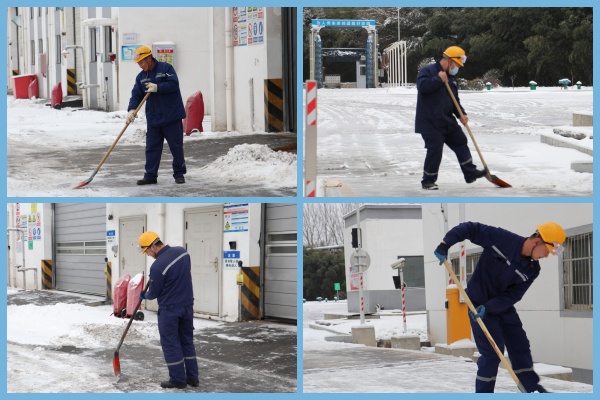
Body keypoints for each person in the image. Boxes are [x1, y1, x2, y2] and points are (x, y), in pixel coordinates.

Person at [433, 221, 566, 393]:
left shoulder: (533, 269)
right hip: (478, 304)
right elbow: (470, 229)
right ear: (536, 242)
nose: (546, 256)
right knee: (492, 354)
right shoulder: (502, 239)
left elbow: (513, 295)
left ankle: (531, 389)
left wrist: (491, 307)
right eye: (547, 251)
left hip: (501, 306)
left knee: (520, 345)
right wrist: (445, 244)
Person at [415, 46, 487, 190]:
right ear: (449, 61)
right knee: (435, 150)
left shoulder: (452, 78)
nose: (457, 68)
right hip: (430, 122)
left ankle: (470, 173)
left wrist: (461, 114)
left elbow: (454, 100)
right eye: (456, 65)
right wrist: (438, 80)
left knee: (461, 141)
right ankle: (428, 180)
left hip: (447, 120)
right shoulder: (428, 71)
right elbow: (422, 87)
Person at [137, 231, 199, 389]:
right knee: (186, 341)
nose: (149, 255)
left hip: (169, 310)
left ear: (153, 246)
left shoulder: (157, 266)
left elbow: (154, 293)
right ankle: (193, 378)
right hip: (187, 306)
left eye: (148, 252)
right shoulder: (183, 253)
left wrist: (144, 294)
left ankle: (178, 380)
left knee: (170, 343)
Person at [127, 46, 187, 185]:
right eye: (138, 63)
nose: (140, 66)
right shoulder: (141, 77)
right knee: (152, 148)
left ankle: (179, 174)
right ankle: (150, 176)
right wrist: (131, 110)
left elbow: (174, 84)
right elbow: (136, 95)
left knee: (176, 146)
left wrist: (158, 87)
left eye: (142, 62)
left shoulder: (166, 69)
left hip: (171, 116)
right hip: (154, 118)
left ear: (149, 58)